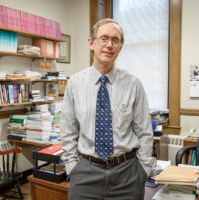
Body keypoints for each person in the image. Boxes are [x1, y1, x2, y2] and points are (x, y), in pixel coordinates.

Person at [60, 18, 156, 200]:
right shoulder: (74, 83)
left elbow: (144, 132)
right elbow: (68, 131)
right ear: (91, 43)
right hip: (85, 174)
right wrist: (72, 167)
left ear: (120, 47)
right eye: (104, 38)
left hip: (127, 174)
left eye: (115, 40)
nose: (109, 45)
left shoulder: (133, 84)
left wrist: (144, 169)